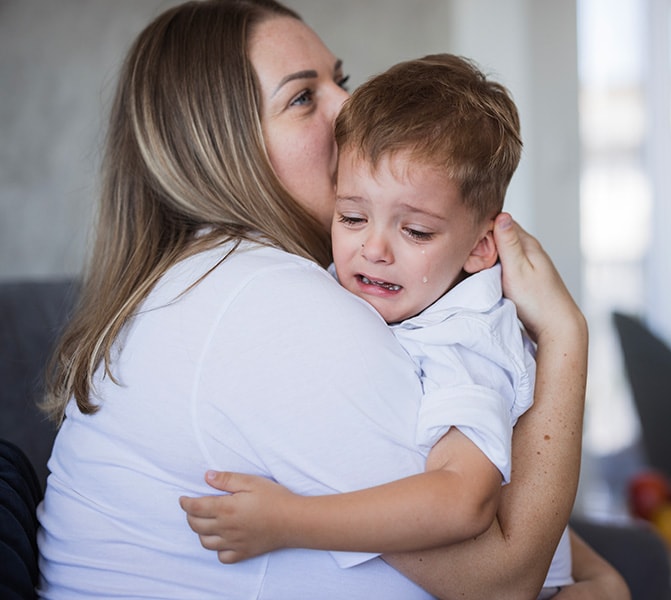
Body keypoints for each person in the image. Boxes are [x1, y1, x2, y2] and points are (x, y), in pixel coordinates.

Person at [35, 1, 627, 598]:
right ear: (219, 147)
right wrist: (564, 333)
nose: (348, 106)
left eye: (338, 80)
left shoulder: (221, 279)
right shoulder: (266, 300)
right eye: (302, 97)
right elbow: (500, 577)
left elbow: (463, 471)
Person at [180, 53, 574, 597]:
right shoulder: (348, 287)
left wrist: (288, 521)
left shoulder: (468, 339)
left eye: (415, 231)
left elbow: (466, 500)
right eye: (352, 217)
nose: (373, 249)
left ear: (483, 247)